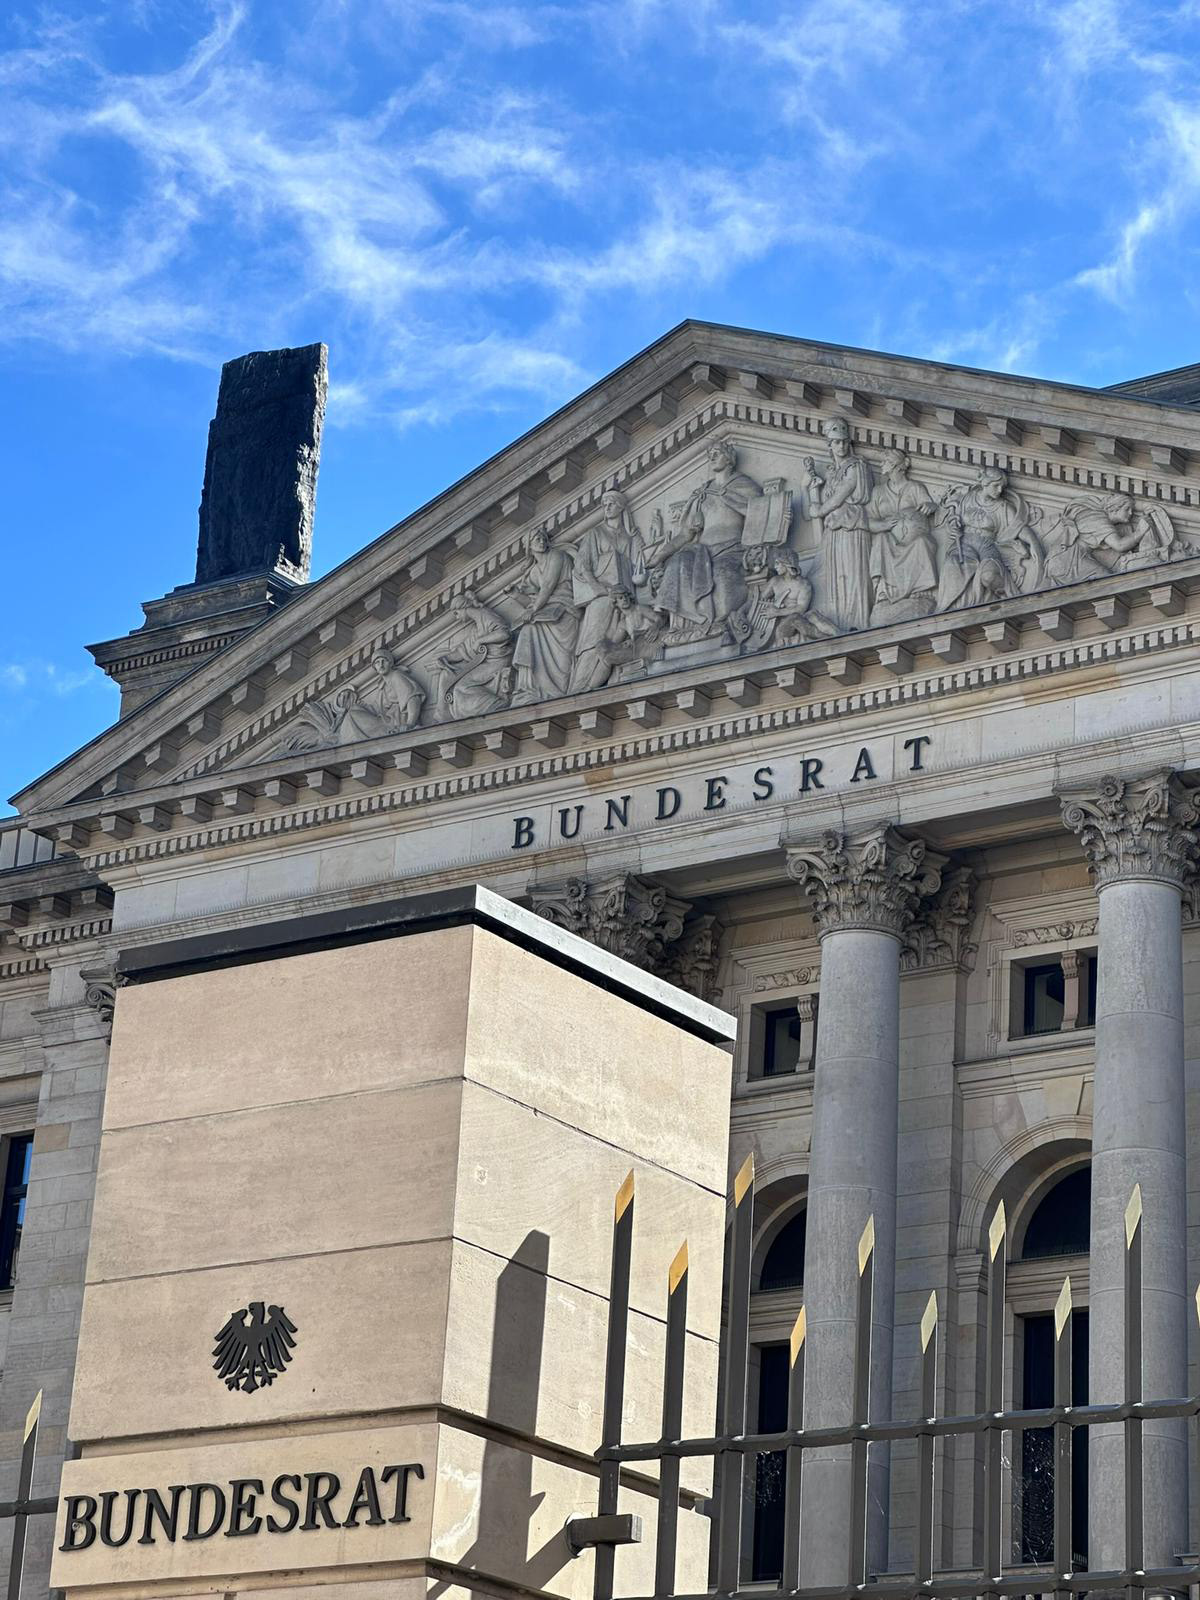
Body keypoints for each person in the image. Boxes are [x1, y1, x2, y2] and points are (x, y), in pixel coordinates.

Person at [645, 440, 757, 639]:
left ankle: (714, 623)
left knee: (722, 574)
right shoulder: (702, 495)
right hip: (702, 553)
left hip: (732, 550)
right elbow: (685, 535)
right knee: (677, 562)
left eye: (717, 453)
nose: (711, 457)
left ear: (729, 458)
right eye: (710, 454)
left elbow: (759, 512)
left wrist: (726, 496)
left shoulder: (743, 484)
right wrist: (658, 556)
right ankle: (678, 627)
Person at [936, 465, 1044, 611]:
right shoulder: (968, 498)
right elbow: (954, 523)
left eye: (1002, 487)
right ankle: (949, 608)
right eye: (996, 486)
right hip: (964, 544)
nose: (1000, 490)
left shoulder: (1002, 507)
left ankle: (1008, 600)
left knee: (989, 576)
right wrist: (953, 526)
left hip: (987, 546)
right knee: (952, 564)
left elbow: (1019, 528)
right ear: (985, 483)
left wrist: (1033, 543)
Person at [570, 489, 647, 692]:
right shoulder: (596, 533)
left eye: (611, 503)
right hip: (602, 598)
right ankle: (578, 689)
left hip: (624, 600)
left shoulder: (628, 536)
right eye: (605, 504)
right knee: (592, 642)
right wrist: (598, 589)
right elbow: (582, 565)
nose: (607, 508)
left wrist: (638, 541)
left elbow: (638, 565)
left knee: (615, 641)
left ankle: (607, 681)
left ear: (621, 507)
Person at [803, 418, 874, 631]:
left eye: (844, 441)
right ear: (830, 445)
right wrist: (808, 485)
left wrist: (821, 510)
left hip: (852, 527)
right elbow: (815, 511)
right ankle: (839, 624)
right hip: (834, 531)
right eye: (836, 442)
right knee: (835, 577)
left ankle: (856, 624)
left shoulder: (857, 466)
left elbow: (840, 496)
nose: (841, 446)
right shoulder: (832, 472)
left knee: (853, 575)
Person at [505, 531, 579, 704]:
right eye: (536, 539)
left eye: (543, 538)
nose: (541, 541)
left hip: (565, 609)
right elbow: (531, 602)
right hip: (546, 612)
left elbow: (547, 587)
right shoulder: (533, 573)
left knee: (559, 653)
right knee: (527, 631)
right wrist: (515, 594)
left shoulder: (556, 556)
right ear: (529, 546)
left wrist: (534, 609)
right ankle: (529, 687)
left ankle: (557, 689)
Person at [434, 590, 513, 719]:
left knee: (462, 687)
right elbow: (463, 650)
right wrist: (445, 658)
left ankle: (495, 705)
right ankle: (444, 714)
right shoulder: (476, 628)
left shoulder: (486, 615)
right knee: (451, 678)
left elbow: (504, 634)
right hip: (486, 662)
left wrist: (481, 640)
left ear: (463, 607)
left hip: (497, 661)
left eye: (456, 612)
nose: (456, 616)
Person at [742, 549, 837, 648]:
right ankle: (827, 638)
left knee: (809, 616)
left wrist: (778, 612)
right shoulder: (775, 581)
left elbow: (801, 609)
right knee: (792, 621)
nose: (775, 567)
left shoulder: (803, 584)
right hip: (779, 626)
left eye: (778, 563)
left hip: (796, 618)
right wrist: (741, 612)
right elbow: (757, 601)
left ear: (787, 563)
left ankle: (832, 635)